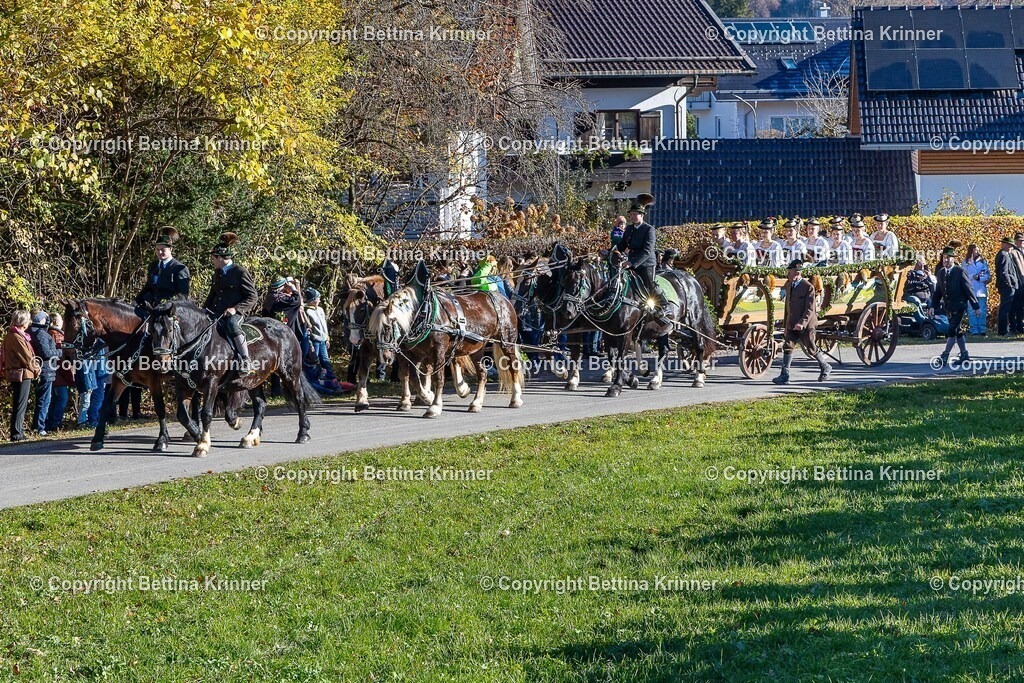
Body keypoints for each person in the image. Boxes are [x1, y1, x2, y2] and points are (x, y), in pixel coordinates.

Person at [203, 232, 259, 376]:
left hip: (236, 314)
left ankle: (245, 359)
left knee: (232, 325)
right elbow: (213, 295)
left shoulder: (239, 272)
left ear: (220, 258)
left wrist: (235, 309)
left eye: (213, 258)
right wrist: (202, 310)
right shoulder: (217, 273)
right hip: (217, 311)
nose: (212, 261)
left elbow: (252, 296)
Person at [773, 259, 831, 385]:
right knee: (788, 347)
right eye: (790, 271)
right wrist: (786, 322)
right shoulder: (789, 285)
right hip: (792, 322)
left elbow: (810, 309)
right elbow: (787, 305)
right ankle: (784, 375)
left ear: (797, 273)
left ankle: (825, 366)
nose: (789, 274)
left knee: (811, 347)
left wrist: (802, 323)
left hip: (805, 325)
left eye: (791, 272)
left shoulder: (808, 287)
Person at [612, 193, 667, 314]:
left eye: (634, 214)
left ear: (641, 215)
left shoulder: (649, 229)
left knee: (650, 283)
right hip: (630, 262)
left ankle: (664, 306)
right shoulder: (629, 229)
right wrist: (610, 251)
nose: (632, 216)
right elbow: (622, 245)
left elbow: (647, 251)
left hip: (646, 263)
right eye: (631, 214)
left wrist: (631, 262)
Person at [932, 245, 980, 366]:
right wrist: (933, 306)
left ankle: (945, 355)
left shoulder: (960, 271)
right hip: (948, 307)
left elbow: (969, 289)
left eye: (948, 257)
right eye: (944, 257)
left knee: (952, 330)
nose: (946, 260)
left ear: (953, 259)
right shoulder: (941, 273)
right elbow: (938, 292)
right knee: (958, 331)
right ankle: (964, 354)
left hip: (959, 306)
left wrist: (975, 306)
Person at [1, 311, 39, 441]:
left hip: (20, 372)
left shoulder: (14, 335)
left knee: (19, 403)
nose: (29, 322)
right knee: (20, 403)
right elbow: (26, 357)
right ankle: (17, 433)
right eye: (28, 320)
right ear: (23, 322)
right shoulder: (16, 337)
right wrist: (36, 368)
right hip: (22, 373)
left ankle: (18, 431)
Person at [134, 226, 191, 308]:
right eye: (157, 249)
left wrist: (167, 306)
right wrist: (135, 302)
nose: (160, 252)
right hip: (150, 307)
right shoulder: (153, 266)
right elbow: (148, 288)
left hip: (168, 310)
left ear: (170, 249)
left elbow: (183, 296)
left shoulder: (179, 269)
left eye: (163, 250)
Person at [28, 310, 59, 436]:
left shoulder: (31, 332)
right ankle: (39, 427)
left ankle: (39, 425)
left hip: (42, 369)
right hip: (45, 370)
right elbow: (46, 353)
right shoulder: (41, 334)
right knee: (44, 400)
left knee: (43, 399)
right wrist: (59, 353)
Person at [46, 316, 75, 432]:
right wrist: (69, 374)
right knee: (62, 398)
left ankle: (50, 423)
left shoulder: (50, 333)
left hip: (55, 373)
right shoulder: (57, 335)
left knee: (54, 399)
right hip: (59, 374)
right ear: (58, 322)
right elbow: (61, 358)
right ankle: (55, 424)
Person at [304, 288, 335, 382]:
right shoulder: (307, 312)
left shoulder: (320, 310)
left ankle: (332, 379)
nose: (319, 300)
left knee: (325, 360)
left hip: (323, 340)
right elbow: (307, 329)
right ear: (313, 300)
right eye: (318, 298)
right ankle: (315, 380)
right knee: (314, 361)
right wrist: (310, 343)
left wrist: (327, 338)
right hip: (315, 341)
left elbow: (324, 325)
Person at [962, 244, 990, 335]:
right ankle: (974, 330)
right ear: (971, 251)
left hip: (981, 289)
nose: (977, 252)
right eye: (975, 250)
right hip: (971, 290)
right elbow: (963, 275)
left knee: (982, 310)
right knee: (971, 311)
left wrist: (979, 278)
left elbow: (987, 275)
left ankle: (982, 329)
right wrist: (973, 277)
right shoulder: (965, 262)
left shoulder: (982, 262)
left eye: (978, 250)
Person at [995, 237, 1019, 336]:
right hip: (1007, 287)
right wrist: (1009, 284)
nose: (1011, 248)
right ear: (1005, 245)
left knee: (1006, 308)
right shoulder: (1003, 255)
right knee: (1005, 309)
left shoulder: (1005, 254)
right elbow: (1004, 272)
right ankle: (1002, 331)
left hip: (1008, 285)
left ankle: (1005, 330)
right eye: (1010, 246)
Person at [1010, 232, 1024, 334]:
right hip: (1018, 283)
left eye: (1023, 241)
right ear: (1015, 241)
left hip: (1022, 282)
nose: (1022, 242)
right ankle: (1014, 327)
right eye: (1020, 241)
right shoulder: (1013, 252)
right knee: (1014, 306)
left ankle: (1020, 325)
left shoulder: (1021, 251)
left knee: (1020, 307)